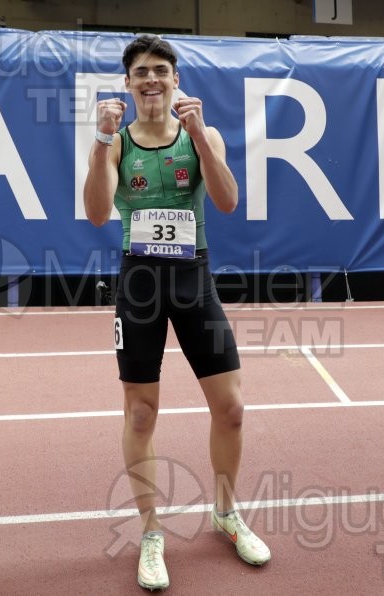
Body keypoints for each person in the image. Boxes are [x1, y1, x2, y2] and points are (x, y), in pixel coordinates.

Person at [83, 34, 271, 590]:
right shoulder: (116, 143)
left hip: (194, 281)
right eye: (140, 71)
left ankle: (226, 512)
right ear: (128, 83)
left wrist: (201, 140)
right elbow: (96, 214)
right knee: (141, 414)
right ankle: (151, 533)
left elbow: (229, 200)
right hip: (139, 286)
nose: (151, 79)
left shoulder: (201, 133)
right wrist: (99, 140)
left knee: (232, 407)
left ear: (175, 79)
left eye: (160, 70)